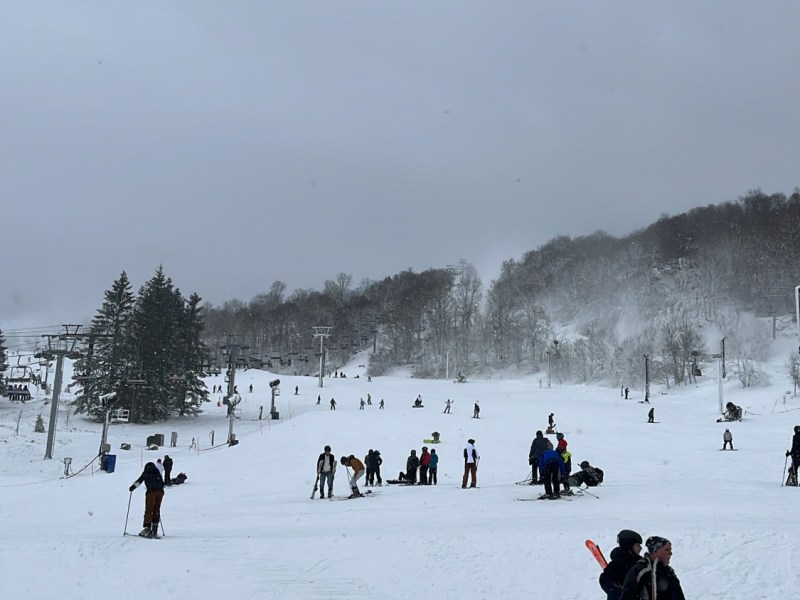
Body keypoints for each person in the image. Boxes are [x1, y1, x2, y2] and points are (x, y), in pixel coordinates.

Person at [620, 536, 685, 600]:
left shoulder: (669, 572)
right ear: (655, 551)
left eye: (670, 550)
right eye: (667, 550)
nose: (670, 553)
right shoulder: (641, 571)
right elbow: (627, 596)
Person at [599, 529, 643, 600]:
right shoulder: (619, 562)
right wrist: (617, 591)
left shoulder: (638, 561)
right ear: (629, 546)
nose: (641, 548)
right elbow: (604, 579)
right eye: (638, 545)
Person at [129, 462, 164, 538]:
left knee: (149, 509)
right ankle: (155, 528)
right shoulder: (157, 472)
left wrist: (132, 488)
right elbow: (162, 482)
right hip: (160, 492)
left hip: (151, 492)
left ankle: (147, 528)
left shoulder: (146, 473)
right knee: (156, 509)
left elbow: (139, 481)